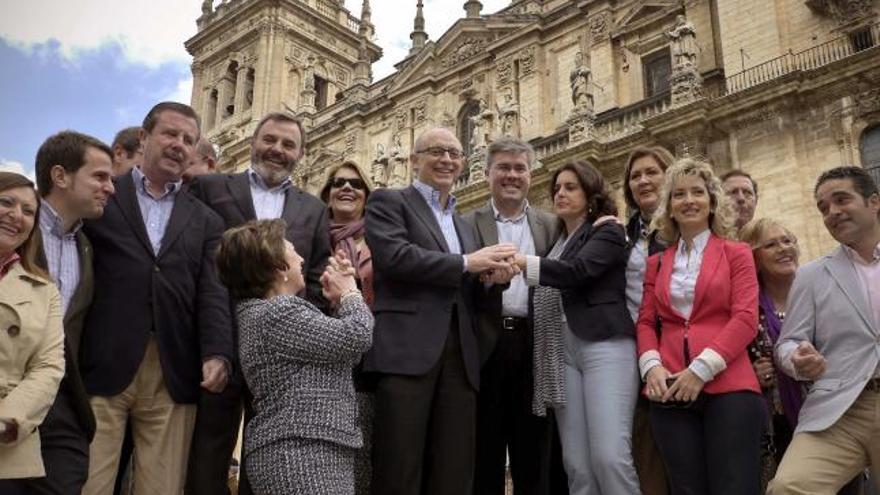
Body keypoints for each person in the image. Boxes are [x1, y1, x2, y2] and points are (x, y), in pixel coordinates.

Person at [80, 102, 234, 495]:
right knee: (90, 482)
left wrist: (217, 351)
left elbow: (212, 291)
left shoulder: (206, 220)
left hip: (172, 365)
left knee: (162, 486)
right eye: (170, 134)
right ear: (145, 138)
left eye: (187, 139)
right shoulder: (103, 200)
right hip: (102, 361)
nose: (178, 145)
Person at [365, 127, 518, 495]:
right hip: (407, 352)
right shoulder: (389, 201)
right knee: (399, 465)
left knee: (454, 470)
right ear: (414, 160)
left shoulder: (463, 223)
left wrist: (492, 280)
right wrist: (468, 262)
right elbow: (395, 258)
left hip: (460, 358)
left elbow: (466, 283)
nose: (447, 160)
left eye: (454, 153)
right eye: (436, 152)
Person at [187, 111, 331, 495]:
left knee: (269, 451)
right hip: (220, 343)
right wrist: (212, 343)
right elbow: (193, 265)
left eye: (288, 144)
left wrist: (299, 331)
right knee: (209, 449)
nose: (277, 150)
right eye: (270, 140)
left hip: (282, 353)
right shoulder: (211, 188)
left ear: (301, 152)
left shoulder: (314, 209)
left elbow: (315, 276)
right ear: (253, 141)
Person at [215, 219, 373, 494]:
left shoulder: (266, 314)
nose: (301, 258)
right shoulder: (278, 313)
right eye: (292, 251)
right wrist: (350, 291)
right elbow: (357, 336)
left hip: (312, 447)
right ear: (278, 267)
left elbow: (343, 355)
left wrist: (337, 302)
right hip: (302, 452)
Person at [637, 158, 764, 495]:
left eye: (697, 192)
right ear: (669, 207)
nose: (689, 200)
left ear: (711, 202)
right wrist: (651, 367)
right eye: (679, 194)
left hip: (730, 386)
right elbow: (647, 321)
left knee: (734, 486)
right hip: (669, 389)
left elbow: (746, 318)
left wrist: (701, 370)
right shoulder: (657, 262)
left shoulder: (736, 253)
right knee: (685, 488)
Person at [515, 160, 641, 495]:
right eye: (556, 188)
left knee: (610, 456)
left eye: (571, 187)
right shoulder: (556, 241)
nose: (560, 193)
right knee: (576, 464)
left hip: (604, 343)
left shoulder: (608, 230)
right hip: (561, 352)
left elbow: (579, 271)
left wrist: (522, 263)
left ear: (590, 192)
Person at [768, 166, 880, 494]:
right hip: (840, 410)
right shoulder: (812, 275)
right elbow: (787, 342)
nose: (832, 212)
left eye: (841, 199)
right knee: (789, 487)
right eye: (823, 207)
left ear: (874, 202)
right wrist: (797, 359)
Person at [463, 138, 560, 495]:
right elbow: (460, 286)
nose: (512, 175)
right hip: (485, 347)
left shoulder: (551, 226)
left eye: (519, 168)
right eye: (503, 167)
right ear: (487, 173)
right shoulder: (467, 224)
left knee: (534, 451)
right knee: (483, 453)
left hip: (535, 346)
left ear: (530, 176)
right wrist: (489, 284)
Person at [30, 131, 115, 494]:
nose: (111, 187)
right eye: (99, 177)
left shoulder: (86, 246)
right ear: (61, 176)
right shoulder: (17, 227)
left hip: (63, 402)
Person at [0, 172, 65, 490]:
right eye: (6, 202)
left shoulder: (45, 290)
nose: (16, 216)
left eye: (28, 211)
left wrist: (6, 418)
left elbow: (48, 367)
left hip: (7, 445)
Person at [319, 160, 375, 494]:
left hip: (370, 357)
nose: (347, 188)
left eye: (356, 184)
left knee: (365, 450)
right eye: (338, 182)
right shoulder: (310, 239)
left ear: (367, 195)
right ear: (326, 195)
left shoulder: (381, 238)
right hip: (323, 354)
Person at [622, 146, 674, 495]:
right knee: (647, 455)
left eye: (651, 172)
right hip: (638, 353)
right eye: (635, 175)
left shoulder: (691, 227)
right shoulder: (625, 234)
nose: (643, 180)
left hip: (684, 350)